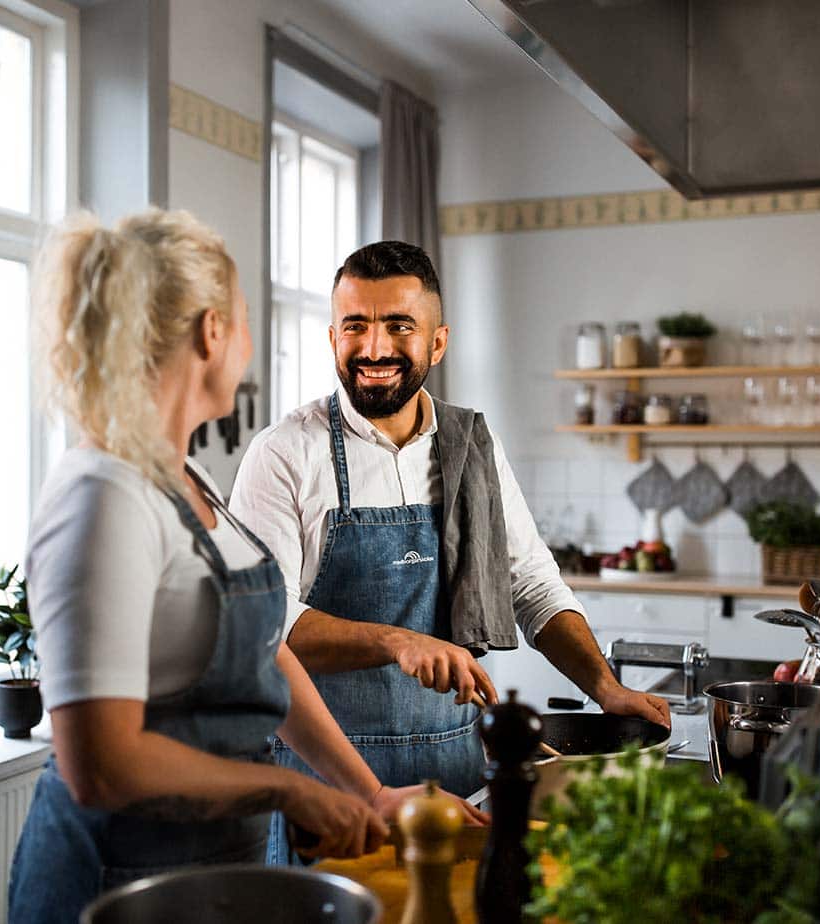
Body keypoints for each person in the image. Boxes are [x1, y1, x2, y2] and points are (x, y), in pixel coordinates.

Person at [8, 214, 484, 924]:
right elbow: (100, 764)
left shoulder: (186, 478)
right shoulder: (101, 496)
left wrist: (368, 792)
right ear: (212, 331)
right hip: (117, 883)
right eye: (245, 320)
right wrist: (285, 790)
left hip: (213, 870)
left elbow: (269, 653)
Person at [229, 241, 671, 858]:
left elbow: (533, 586)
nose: (375, 348)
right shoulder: (283, 455)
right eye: (356, 326)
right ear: (332, 338)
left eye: (399, 326)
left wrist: (605, 688)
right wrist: (396, 640)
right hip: (331, 786)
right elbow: (265, 628)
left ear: (437, 343)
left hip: (456, 779)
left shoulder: (473, 449)